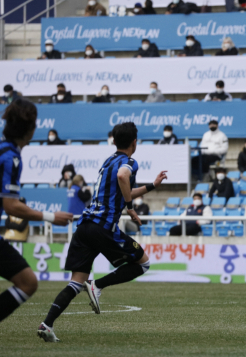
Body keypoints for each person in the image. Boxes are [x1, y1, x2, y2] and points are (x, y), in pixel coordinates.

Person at [0, 99, 72, 357]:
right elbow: (11, 206)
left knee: (27, 282)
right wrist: (50, 217)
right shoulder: (11, 158)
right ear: (30, 129)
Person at [38, 122, 167, 342]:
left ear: (114, 141)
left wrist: (151, 186)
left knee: (75, 283)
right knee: (143, 264)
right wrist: (130, 207)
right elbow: (123, 177)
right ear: (134, 142)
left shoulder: (108, 161)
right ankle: (98, 285)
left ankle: (46, 325)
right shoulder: (129, 162)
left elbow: (122, 184)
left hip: (85, 226)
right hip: (103, 227)